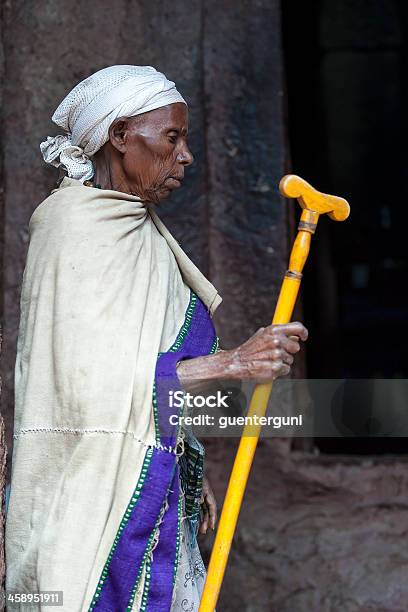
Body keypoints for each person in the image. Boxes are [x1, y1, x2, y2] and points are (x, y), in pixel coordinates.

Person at [5, 65, 307, 611]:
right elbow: (84, 387)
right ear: (120, 137)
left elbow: (151, 377)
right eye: (172, 137)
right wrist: (233, 364)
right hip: (78, 494)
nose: (186, 156)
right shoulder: (68, 226)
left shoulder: (149, 241)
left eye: (185, 139)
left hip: (155, 483)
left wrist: (188, 468)